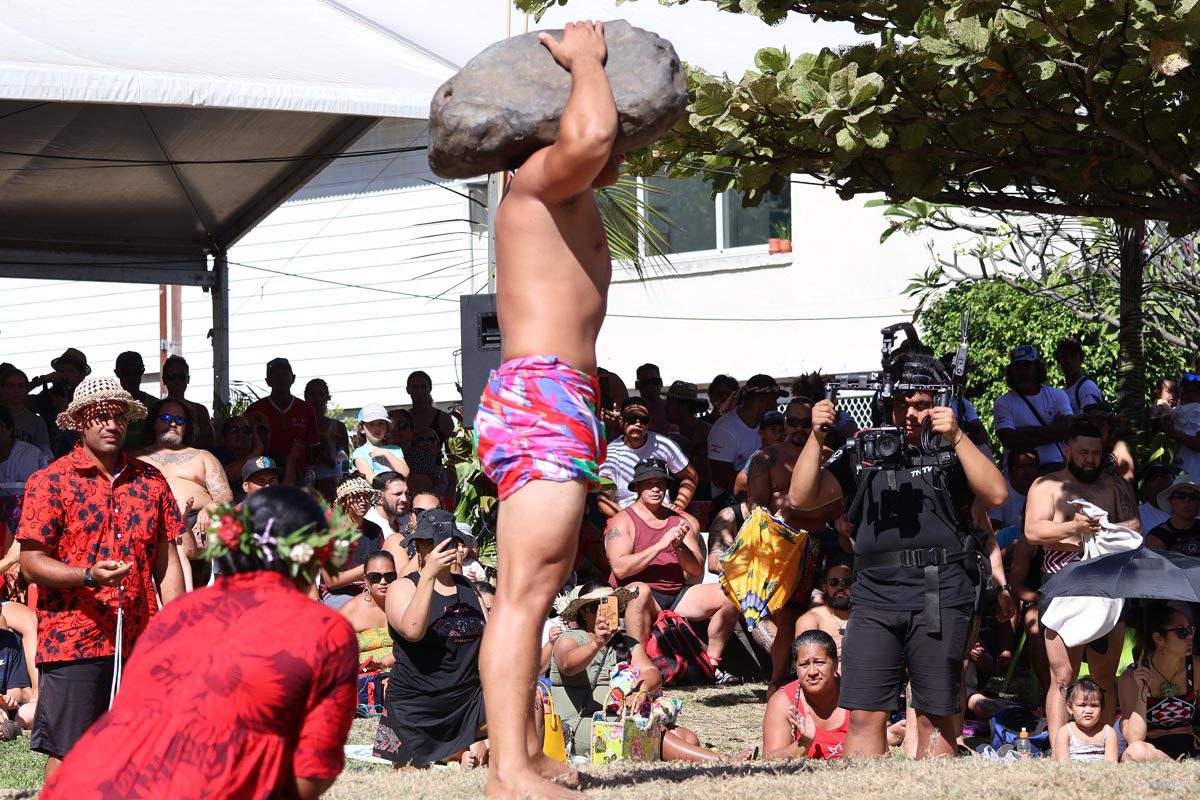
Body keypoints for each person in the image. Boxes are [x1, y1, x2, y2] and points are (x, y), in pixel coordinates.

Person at [472, 19, 627, 798]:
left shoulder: (555, 192)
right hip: (542, 395)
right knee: (523, 593)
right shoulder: (536, 181)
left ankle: (524, 756)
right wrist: (588, 61)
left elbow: (606, 142)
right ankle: (507, 772)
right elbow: (595, 134)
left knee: (539, 588)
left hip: (554, 397)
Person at [40, 486, 360, 799]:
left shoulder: (178, 613)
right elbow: (309, 778)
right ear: (317, 553)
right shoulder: (323, 629)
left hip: (86, 785)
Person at [787, 351, 1011, 759]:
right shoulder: (864, 450)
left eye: (921, 404)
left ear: (938, 403)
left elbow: (996, 495)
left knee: (935, 714)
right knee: (865, 712)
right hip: (873, 594)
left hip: (939, 590)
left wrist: (958, 437)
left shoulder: (953, 449)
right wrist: (816, 438)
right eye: (901, 403)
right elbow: (802, 497)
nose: (910, 413)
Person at [17, 375, 185, 778]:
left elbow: (167, 560)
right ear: (79, 421)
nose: (111, 424)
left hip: (141, 636)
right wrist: (87, 576)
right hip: (75, 636)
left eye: (119, 417)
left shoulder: (151, 480)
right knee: (69, 750)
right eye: (100, 417)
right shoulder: (50, 481)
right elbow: (30, 563)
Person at [1024, 419, 1141, 752]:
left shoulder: (1115, 487)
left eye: (1096, 452)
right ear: (1068, 450)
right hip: (1063, 586)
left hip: (1107, 585)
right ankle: (1061, 753)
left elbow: (1134, 527)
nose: (1090, 459)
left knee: (1104, 678)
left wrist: (1104, 534)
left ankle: (1102, 750)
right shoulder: (1046, 485)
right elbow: (1033, 532)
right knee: (1062, 678)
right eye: (1083, 452)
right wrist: (1076, 530)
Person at [549, 583, 745, 762]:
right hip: (578, 724)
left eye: (611, 604)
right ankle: (721, 760)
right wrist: (596, 642)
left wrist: (639, 693)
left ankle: (668, 750)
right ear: (583, 614)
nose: (606, 611)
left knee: (688, 738)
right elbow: (568, 664)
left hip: (617, 717)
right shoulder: (570, 639)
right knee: (650, 734)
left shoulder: (625, 642)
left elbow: (651, 672)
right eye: (595, 607)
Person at [606, 458, 741, 684]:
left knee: (729, 592)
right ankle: (639, 668)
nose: (656, 488)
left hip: (676, 593)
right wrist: (660, 545)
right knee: (639, 591)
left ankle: (710, 666)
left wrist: (678, 546)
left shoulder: (679, 521)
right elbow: (620, 568)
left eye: (661, 483)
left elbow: (696, 568)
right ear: (637, 487)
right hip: (638, 595)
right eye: (649, 483)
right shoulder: (622, 521)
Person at [373, 509, 488, 768]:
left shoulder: (469, 590)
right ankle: (453, 753)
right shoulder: (402, 587)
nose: (444, 548)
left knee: (529, 703)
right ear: (420, 546)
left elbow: (489, 649)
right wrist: (428, 575)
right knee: (409, 778)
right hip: (416, 705)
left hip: (466, 701)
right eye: (435, 542)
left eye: (451, 542)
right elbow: (413, 631)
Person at [136, 398, 233, 590]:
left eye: (180, 421)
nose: (173, 423)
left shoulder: (202, 456)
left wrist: (212, 506)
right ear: (154, 422)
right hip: (154, 522)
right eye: (166, 418)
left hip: (197, 520)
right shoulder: (136, 458)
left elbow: (225, 496)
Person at [1119, 603, 1199, 761]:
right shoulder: (1130, 678)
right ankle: (1176, 766)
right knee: (1134, 752)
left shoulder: (1195, 668)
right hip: (1153, 751)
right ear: (1158, 638)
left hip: (1190, 746)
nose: (1190, 636)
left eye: (1191, 630)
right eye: (1182, 632)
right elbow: (1134, 739)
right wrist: (1142, 690)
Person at [598, 397, 697, 516]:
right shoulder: (610, 453)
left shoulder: (664, 445)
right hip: (626, 516)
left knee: (693, 525)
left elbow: (691, 476)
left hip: (663, 515)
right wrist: (631, 521)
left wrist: (678, 506)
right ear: (621, 421)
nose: (638, 423)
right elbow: (604, 501)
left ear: (648, 423)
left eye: (643, 419)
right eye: (632, 418)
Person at [762, 631, 849, 760]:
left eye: (819, 662)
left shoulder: (854, 692)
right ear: (796, 669)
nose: (812, 672)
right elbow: (769, 759)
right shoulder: (783, 702)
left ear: (835, 664)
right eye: (804, 665)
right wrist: (804, 743)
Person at [707, 374, 787, 503]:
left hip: (761, 495)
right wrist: (765, 480)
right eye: (774, 400)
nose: (776, 405)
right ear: (761, 400)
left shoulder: (768, 425)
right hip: (729, 502)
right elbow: (720, 479)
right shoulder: (724, 430)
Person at [993, 344, 1073, 473]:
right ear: (1011, 371)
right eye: (1018, 367)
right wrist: (1052, 430)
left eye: (1027, 365)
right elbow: (1009, 439)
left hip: (1058, 473)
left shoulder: (1057, 395)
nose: (1023, 371)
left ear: (1037, 368)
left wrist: (1024, 432)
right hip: (1020, 480)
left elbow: (1068, 429)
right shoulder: (1003, 402)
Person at [244, 357, 320, 482]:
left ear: (293, 378)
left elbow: (313, 448)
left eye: (284, 374)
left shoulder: (306, 409)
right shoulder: (255, 409)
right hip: (264, 478)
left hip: (299, 477)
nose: (281, 378)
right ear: (268, 381)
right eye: (275, 375)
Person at [321, 475, 386, 610]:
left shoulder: (375, 530)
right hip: (339, 594)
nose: (363, 502)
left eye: (366, 497)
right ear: (344, 501)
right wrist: (368, 567)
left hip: (371, 591)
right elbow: (331, 582)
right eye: (356, 497)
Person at [29, 348, 90, 458]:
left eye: (71, 371)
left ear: (82, 376)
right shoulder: (48, 396)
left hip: (77, 462)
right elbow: (14, 401)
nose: (65, 376)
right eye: (61, 372)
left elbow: (89, 440)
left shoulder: (88, 401)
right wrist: (40, 381)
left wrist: (65, 411)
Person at [341, 550, 396, 669]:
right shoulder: (351, 610)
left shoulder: (404, 603)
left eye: (390, 576)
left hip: (403, 673)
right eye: (375, 577)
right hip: (364, 677)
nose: (383, 582)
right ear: (365, 579)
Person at [663, 380, 711, 498]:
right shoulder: (668, 432)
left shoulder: (706, 432)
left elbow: (707, 473)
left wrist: (688, 447)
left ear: (683, 407)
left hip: (701, 496)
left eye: (669, 403)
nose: (665, 407)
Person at [304, 378, 350, 502]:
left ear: (328, 397)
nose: (316, 399)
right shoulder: (301, 425)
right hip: (308, 483)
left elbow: (344, 463)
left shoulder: (337, 426)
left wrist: (322, 448)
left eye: (321, 394)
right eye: (312, 394)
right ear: (305, 397)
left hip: (333, 483)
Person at [1053, 678, 1117, 762]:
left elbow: (1111, 765)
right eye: (1082, 705)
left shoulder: (1108, 732)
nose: (1088, 711)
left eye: (1094, 706)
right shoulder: (1065, 732)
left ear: (1102, 708)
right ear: (1070, 708)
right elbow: (1063, 766)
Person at [160, 355, 216, 451]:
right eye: (171, 377)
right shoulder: (156, 409)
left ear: (188, 379)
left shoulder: (200, 411)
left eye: (181, 377)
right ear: (164, 379)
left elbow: (210, 443)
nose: (177, 381)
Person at [794, 562, 852, 653]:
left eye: (847, 582)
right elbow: (807, 660)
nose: (840, 587)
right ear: (824, 587)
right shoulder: (810, 619)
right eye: (834, 582)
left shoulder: (865, 617)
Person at [112, 351, 160, 454]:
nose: (132, 377)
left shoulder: (156, 406)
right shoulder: (109, 406)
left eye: (136, 372)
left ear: (142, 371)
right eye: (126, 373)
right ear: (117, 373)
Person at [989, 448, 1040, 542]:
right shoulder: (1001, 493)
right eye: (1020, 466)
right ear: (1010, 471)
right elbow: (994, 531)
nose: (1027, 471)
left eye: (1031, 466)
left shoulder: (1044, 493)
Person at [0, 366, 50, 457]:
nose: (16, 390)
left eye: (21, 386)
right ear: (2, 389)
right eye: (10, 386)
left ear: (27, 388)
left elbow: (44, 454)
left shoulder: (37, 421)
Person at [1145, 473, 1200, 555]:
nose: (1187, 500)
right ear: (1171, 501)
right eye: (1180, 495)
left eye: (1193, 496)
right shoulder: (1158, 535)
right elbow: (1158, 566)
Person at [352, 403, 409, 478]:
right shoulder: (359, 452)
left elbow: (405, 473)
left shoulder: (395, 449)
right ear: (362, 429)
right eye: (371, 424)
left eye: (381, 423)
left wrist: (386, 453)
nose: (377, 428)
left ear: (387, 428)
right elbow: (372, 480)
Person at [1162, 373, 1200, 483]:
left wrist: (1172, 433)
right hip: (1171, 476)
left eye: (1196, 391)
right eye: (1187, 390)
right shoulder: (1172, 412)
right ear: (1180, 393)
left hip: (1194, 478)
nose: (1191, 395)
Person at [215, 415, 264, 499]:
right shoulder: (215, 455)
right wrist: (258, 449)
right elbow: (225, 477)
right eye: (234, 430)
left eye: (246, 430)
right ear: (223, 438)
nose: (241, 434)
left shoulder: (261, 458)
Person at [405, 370, 455, 450]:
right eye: (415, 387)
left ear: (430, 388)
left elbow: (452, 451)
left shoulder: (444, 419)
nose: (419, 391)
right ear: (408, 390)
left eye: (423, 386)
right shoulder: (403, 419)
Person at [1055, 338, 1104, 415]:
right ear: (1059, 361)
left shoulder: (1087, 387)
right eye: (1064, 357)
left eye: (1073, 356)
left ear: (1081, 359)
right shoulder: (1064, 392)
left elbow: (1092, 422)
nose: (1068, 361)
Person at [1139, 463, 1178, 533]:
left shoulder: (1191, 510)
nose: (1159, 480)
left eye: (1164, 477)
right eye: (1153, 478)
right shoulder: (1136, 514)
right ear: (1145, 488)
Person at [633, 363, 669, 433]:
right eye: (645, 382)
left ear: (661, 383)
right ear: (637, 385)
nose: (651, 386)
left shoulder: (672, 410)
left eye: (655, 381)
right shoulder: (630, 413)